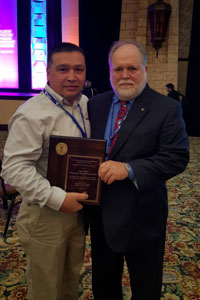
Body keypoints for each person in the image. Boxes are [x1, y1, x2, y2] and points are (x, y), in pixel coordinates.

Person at [87, 41, 189, 300]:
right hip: (101, 213)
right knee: (104, 283)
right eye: (118, 68)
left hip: (143, 215)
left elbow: (176, 157)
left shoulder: (166, 108)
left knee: (145, 286)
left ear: (145, 69)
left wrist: (130, 169)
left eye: (131, 68)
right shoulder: (95, 105)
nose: (124, 75)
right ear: (110, 71)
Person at [1, 42, 90, 300]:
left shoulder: (85, 105)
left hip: (78, 211)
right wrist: (57, 199)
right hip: (45, 214)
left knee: (70, 282)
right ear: (48, 72)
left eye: (79, 69)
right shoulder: (32, 113)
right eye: (63, 69)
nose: (72, 76)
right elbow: (14, 169)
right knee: (45, 290)